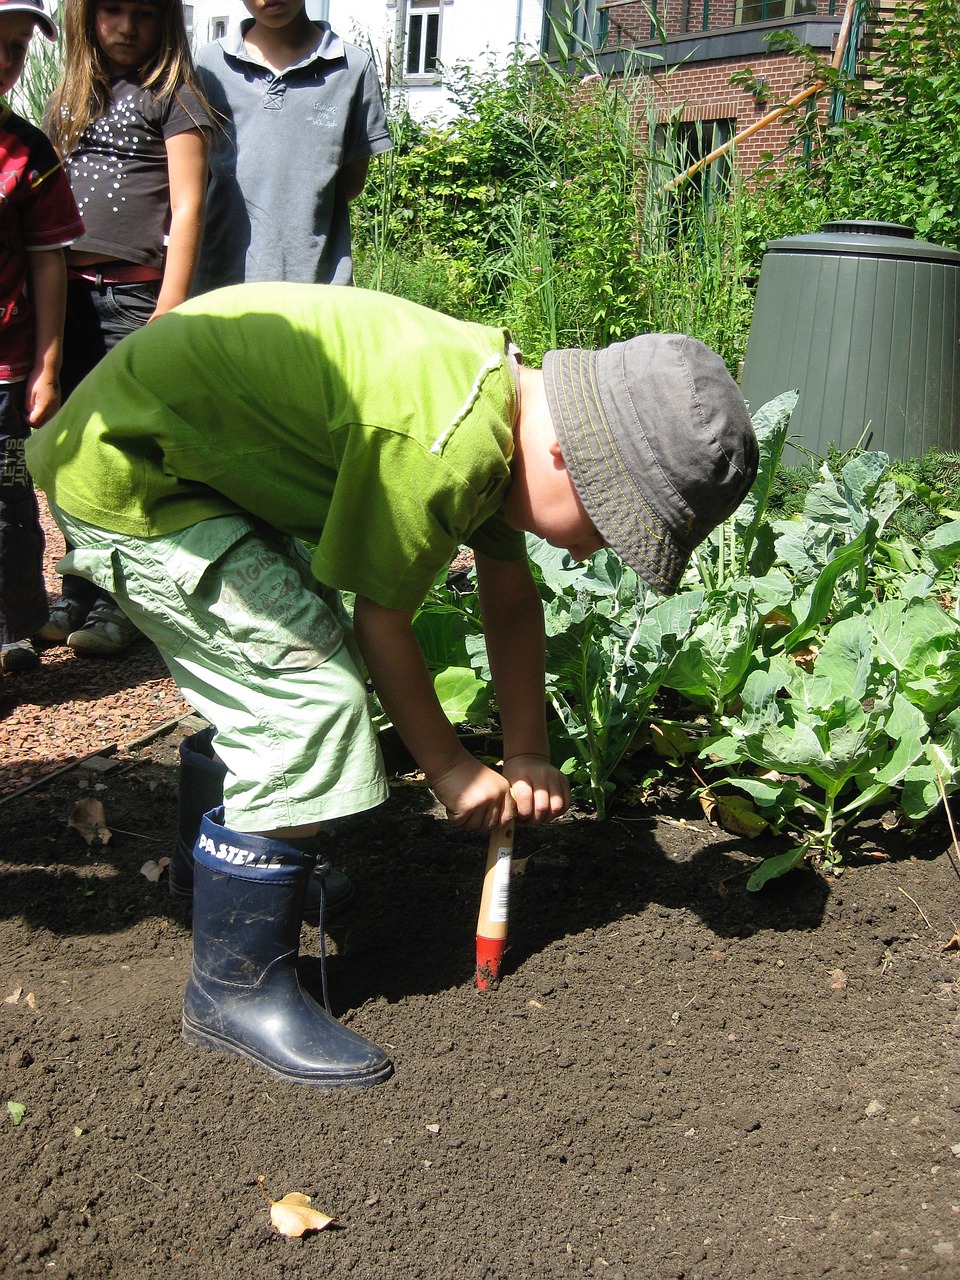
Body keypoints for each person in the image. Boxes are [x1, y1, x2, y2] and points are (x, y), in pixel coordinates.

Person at [26, 283, 759, 1090]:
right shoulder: (444, 445)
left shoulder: (501, 408)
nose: (592, 554)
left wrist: (525, 752)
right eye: (607, 527)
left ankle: (220, 875)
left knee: (290, 658)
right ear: (569, 457)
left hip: (201, 462)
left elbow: (511, 602)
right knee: (308, 696)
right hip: (139, 481)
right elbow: (384, 625)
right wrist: (450, 770)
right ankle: (232, 989)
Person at [37, 0, 211, 657]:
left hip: (134, 301)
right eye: (112, 10)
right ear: (86, 16)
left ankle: (126, 601)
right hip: (66, 299)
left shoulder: (176, 95)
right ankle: (80, 584)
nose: (127, 27)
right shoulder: (70, 99)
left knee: (126, 458)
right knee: (66, 449)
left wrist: (170, 308)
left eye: (143, 13)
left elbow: (190, 203)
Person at [192, 0, 392, 293]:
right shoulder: (208, 65)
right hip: (221, 281)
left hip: (317, 284)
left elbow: (350, 183)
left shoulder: (352, 67)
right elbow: (194, 179)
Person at [0, 0, 84, 676]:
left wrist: (48, 366)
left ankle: (15, 628)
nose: (5, 61)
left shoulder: (29, 152)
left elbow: (48, 260)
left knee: (7, 506)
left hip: (5, 372)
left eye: (16, 48)